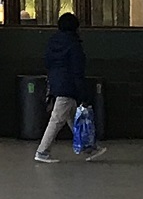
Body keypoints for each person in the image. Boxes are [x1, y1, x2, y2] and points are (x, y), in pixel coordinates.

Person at [34, 12, 107, 163]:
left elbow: (47, 63)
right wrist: (84, 95)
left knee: (75, 119)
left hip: (56, 84)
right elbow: (77, 71)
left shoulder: (53, 42)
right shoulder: (74, 45)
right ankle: (42, 151)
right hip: (68, 88)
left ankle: (89, 148)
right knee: (57, 120)